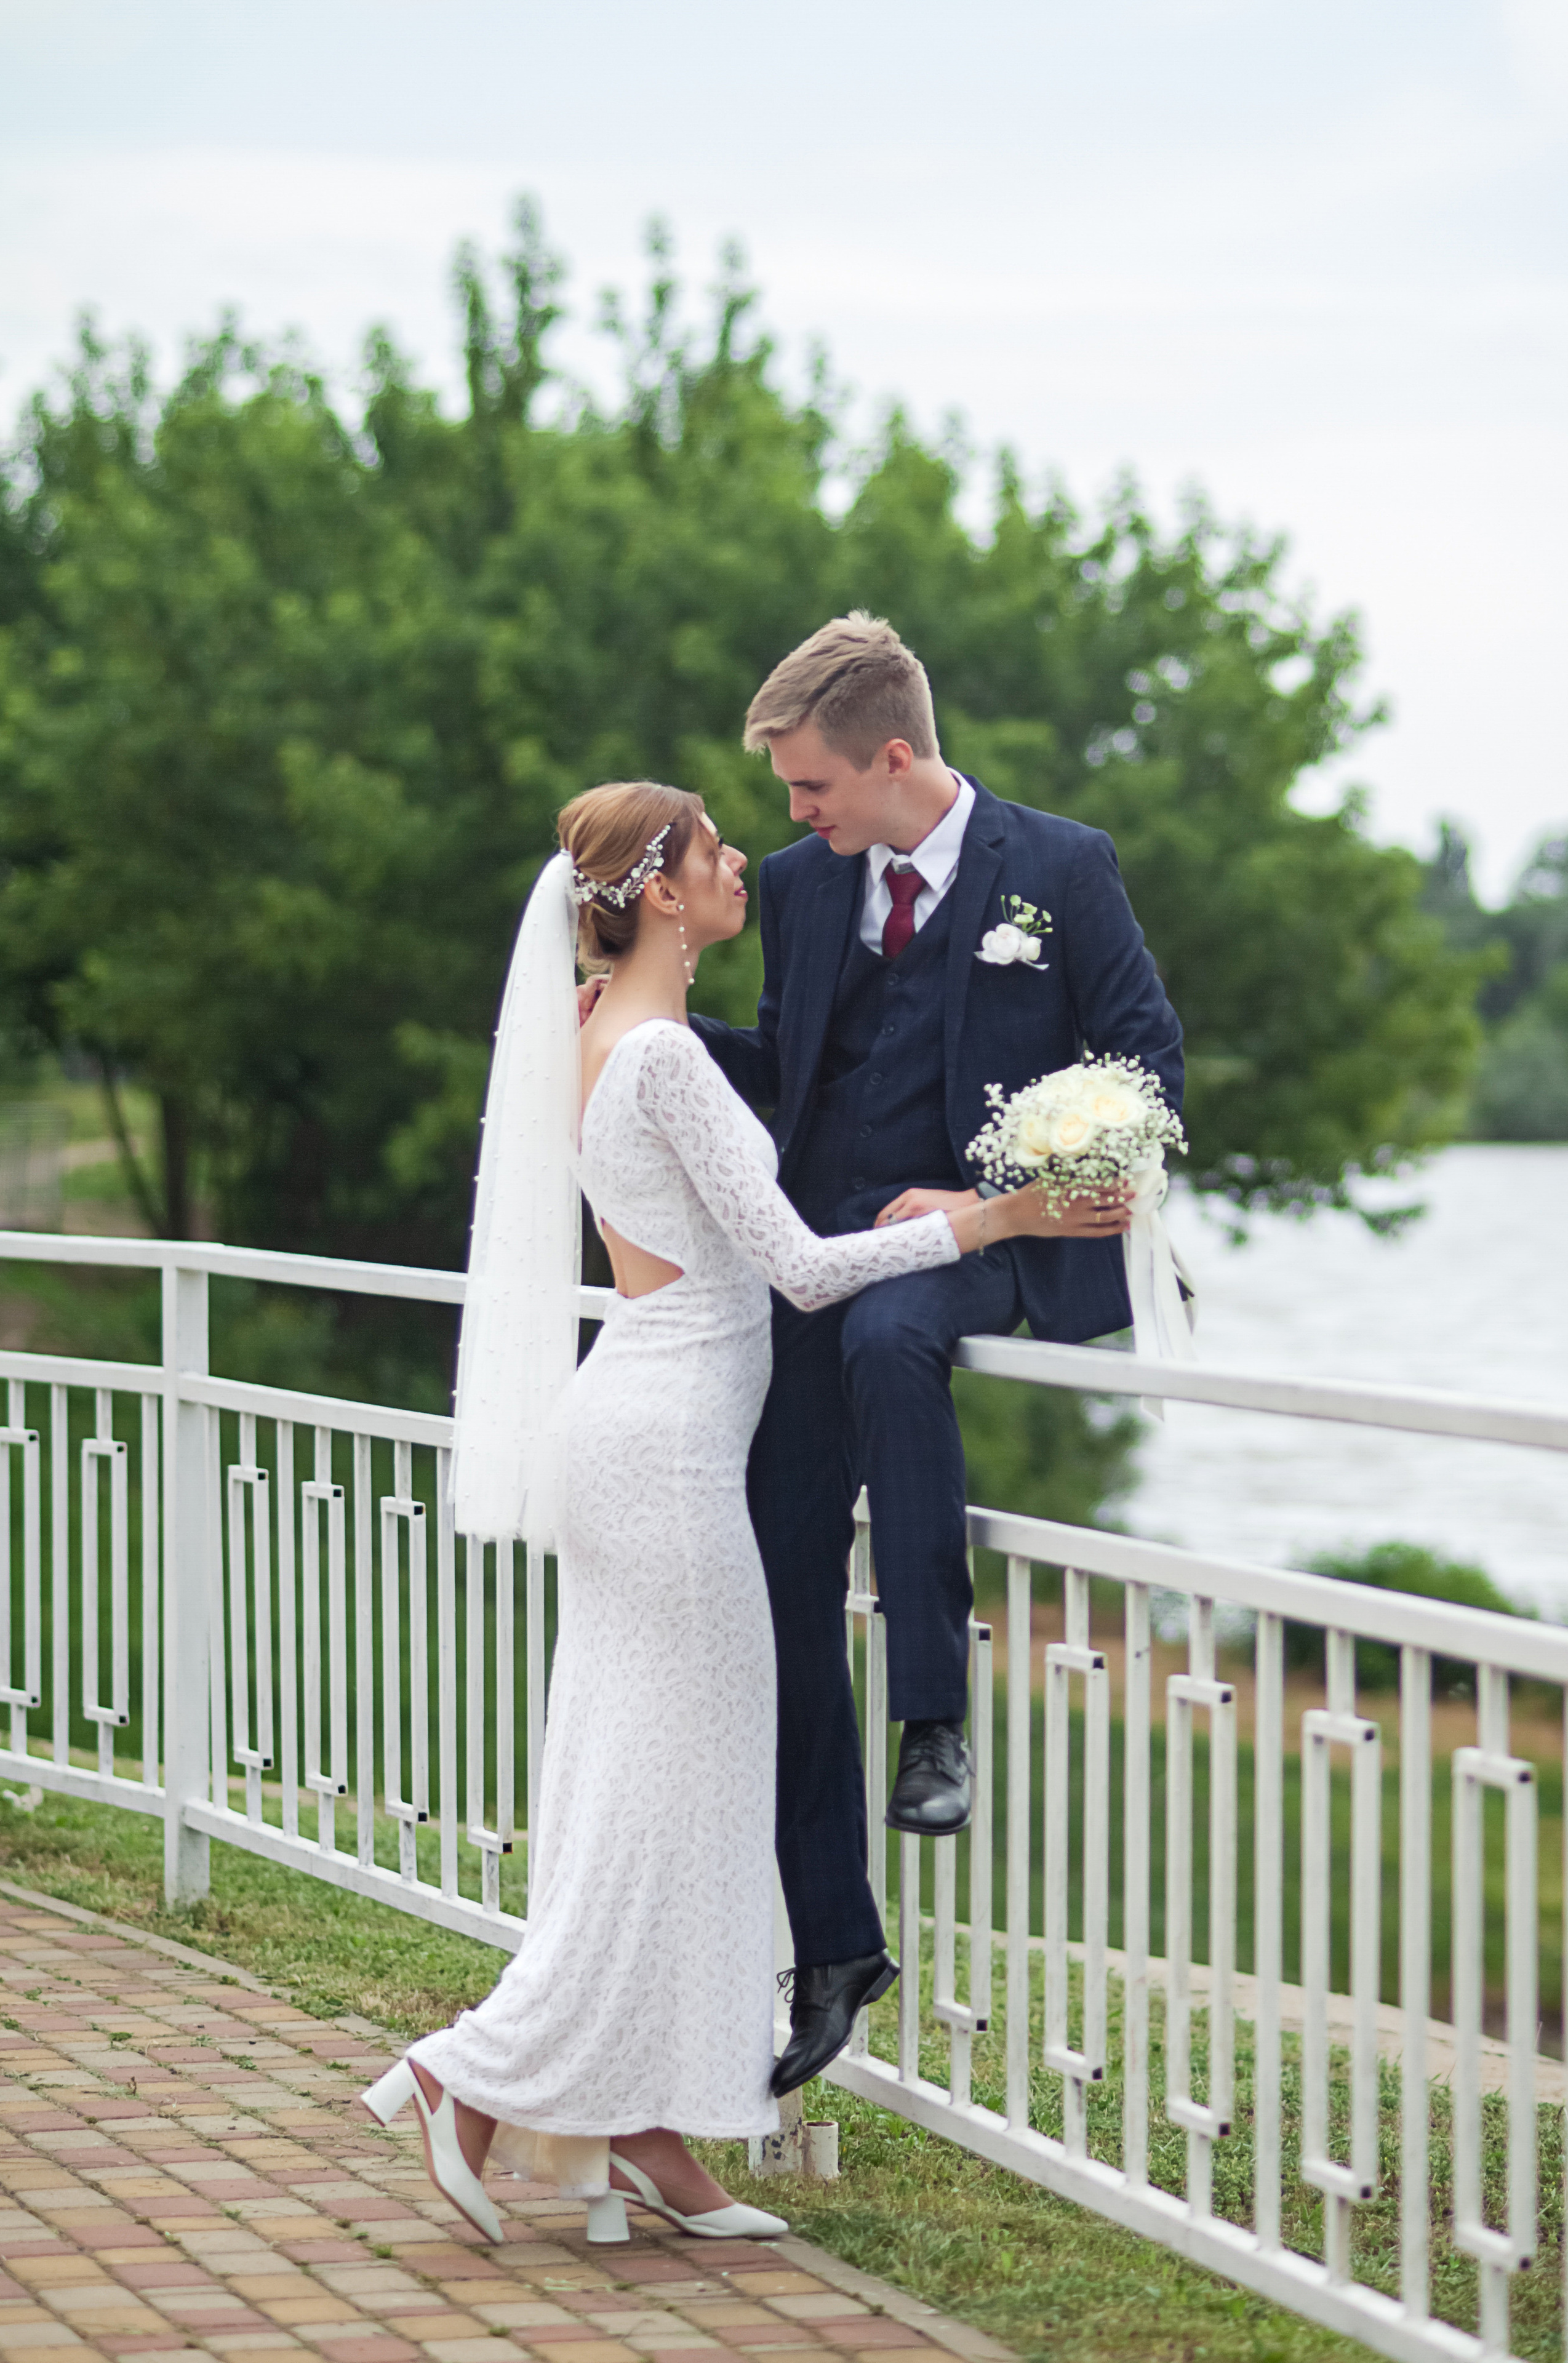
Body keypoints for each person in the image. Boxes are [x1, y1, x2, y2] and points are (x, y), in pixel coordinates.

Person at [358, 780, 1126, 2247]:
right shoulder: (659, 1064)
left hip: (636, 1429)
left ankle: (646, 2126)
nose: (740, 869)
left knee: (666, 1789)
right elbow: (799, 1268)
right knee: (667, 1801)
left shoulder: (596, 1037)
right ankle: (474, 2072)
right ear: (658, 894)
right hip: (663, 1452)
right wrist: (996, 1217)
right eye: (714, 852)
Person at [687, 614, 1184, 2097]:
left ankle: (932, 1724)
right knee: (771, 1578)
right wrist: (652, 1037)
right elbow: (797, 1068)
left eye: (809, 788)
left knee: (901, 1345)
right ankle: (834, 1944)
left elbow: (1144, 1064)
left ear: (892, 759)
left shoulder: (1062, 868)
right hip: (815, 1248)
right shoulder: (796, 886)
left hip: (966, 1242)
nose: (793, 817)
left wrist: (990, 1202)